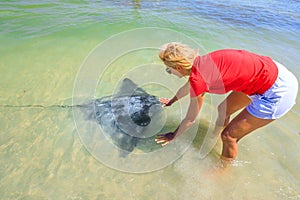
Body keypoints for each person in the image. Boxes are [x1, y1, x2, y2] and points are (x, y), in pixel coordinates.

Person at [155, 42, 298, 165]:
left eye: (169, 69)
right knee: (223, 109)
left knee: (229, 136)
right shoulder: (203, 62)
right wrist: (172, 101)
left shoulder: (198, 81)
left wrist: (173, 135)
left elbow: (190, 119)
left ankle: (223, 170)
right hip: (276, 73)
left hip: (278, 94)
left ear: (179, 68)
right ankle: (214, 137)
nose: (169, 72)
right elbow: (188, 86)